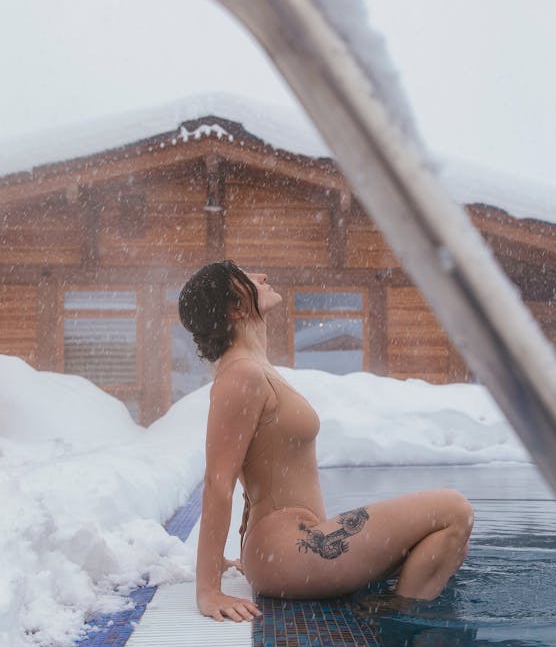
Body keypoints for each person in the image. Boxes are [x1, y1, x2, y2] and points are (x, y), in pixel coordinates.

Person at [178, 260, 474, 623]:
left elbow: (254, 465)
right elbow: (218, 481)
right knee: (452, 511)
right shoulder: (241, 374)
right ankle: (402, 624)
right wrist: (208, 588)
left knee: (448, 544)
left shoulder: (255, 368)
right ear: (236, 308)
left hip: (293, 545)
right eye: (247, 278)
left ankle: (399, 613)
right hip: (285, 549)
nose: (263, 275)